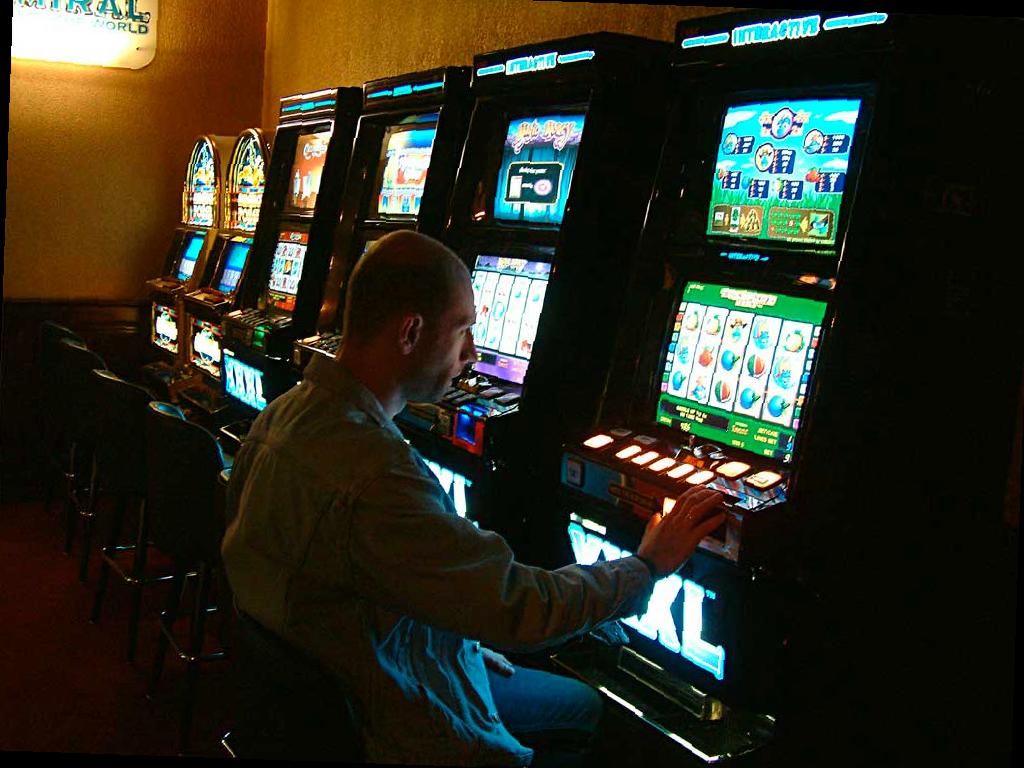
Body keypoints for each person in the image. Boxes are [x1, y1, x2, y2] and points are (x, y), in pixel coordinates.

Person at [221, 230, 725, 767]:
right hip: (393, 717)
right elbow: (521, 609)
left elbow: (352, 585)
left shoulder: (282, 416)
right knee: (583, 706)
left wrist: (452, 640)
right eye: (462, 330)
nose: (472, 354)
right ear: (411, 332)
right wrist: (648, 566)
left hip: (330, 689)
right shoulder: (379, 476)